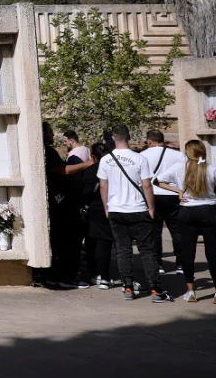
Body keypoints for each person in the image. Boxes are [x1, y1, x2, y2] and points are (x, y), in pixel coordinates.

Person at [98, 125, 170, 302]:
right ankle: (155, 289)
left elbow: (103, 186)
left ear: (114, 138)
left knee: (123, 250)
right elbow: (147, 185)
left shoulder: (106, 160)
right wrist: (151, 208)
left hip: (116, 209)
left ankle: (128, 287)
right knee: (147, 250)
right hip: (138, 209)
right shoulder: (140, 159)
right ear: (128, 137)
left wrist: (106, 206)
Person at [159, 140, 216, 304]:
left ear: (187, 153)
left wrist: (178, 191)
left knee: (188, 253)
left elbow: (157, 181)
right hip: (208, 211)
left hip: (186, 212)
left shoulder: (179, 167)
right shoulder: (211, 169)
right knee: (213, 255)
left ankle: (190, 291)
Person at [68, 135, 115, 289]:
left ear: (93, 156)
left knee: (91, 244)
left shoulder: (88, 171)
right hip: (108, 209)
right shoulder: (112, 169)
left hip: (91, 210)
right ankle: (105, 277)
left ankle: (93, 273)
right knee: (105, 244)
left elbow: (83, 191)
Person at [42, 123, 84, 288]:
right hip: (58, 204)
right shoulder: (49, 152)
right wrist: (87, 164)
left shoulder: (44, 151)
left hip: (52, 203)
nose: (53, 136)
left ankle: (53, 275)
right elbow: (63, 171)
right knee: (65, 243)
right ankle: (66, 278)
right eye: (50, 132)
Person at [141, 129, 186, 274]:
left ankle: (158, 263)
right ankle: (181, 263)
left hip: (153, 196)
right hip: (173, 195)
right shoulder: (178, 155)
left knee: (155, 231)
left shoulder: (142, 155)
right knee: (177, 231)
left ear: (149, 141)